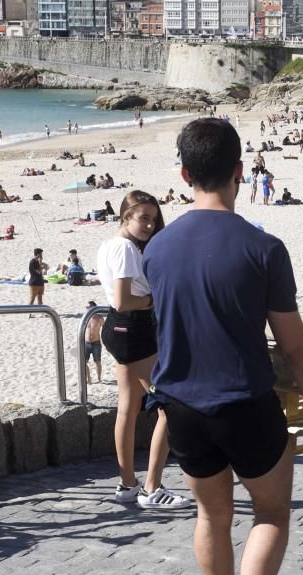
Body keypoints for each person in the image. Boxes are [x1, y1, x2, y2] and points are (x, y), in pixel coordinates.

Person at [143, 118, 303, 575]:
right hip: (243, 403)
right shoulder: (263, 247)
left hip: (180, 406)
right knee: (271, 514)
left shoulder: (156, 249)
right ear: (240, 171)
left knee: (211, 517)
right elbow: (298, 348)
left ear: (184, 174)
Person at [96, 191, 191, 510]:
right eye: (143, 218)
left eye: (153, 218)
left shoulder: (109, 245)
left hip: (119, 328)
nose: (150, 225)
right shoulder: (124, 248)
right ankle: (152, 487)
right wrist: (154, 300)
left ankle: (127, 484)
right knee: (169, 405)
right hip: (134, 328)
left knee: (127, 408)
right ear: (126, 218)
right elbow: (124, 299)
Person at [84, 301, 104, 384]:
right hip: (86, 343)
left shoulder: (100, 318)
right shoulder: (85, 318)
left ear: (94, 308)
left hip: (96, 343)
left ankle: (99, 378)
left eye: (89, 307)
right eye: (87, 308)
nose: (88, 309)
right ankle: (88, 378)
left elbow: (105, 329)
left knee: (97, 361)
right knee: (83, 362)